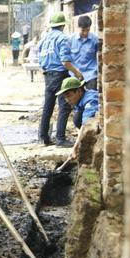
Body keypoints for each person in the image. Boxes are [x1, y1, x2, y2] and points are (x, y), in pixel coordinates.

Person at [37, 12, 84, 147]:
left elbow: (41, 62)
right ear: (63, 25)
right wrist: (77, 72)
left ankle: (44, 136)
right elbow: (65, 61)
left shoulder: (43, 40)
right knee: (64, 106)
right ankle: (60, 138)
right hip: (60, 75)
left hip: (48, 75)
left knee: (48, 106)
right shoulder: (63, 38)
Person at [55, 77, 99, 159]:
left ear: (78, 91)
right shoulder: (79, 100)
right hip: (88, 127)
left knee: (78, 118)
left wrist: (75, 148)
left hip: (98, 127)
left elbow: (86, 125)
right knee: (77, 118)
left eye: (69, 96)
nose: (67, 100)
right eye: (65, 97)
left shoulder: (90, 100)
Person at [69, 16, 99, 91]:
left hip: (90, 75)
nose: (85, 33)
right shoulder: (70, 40)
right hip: (74, 77)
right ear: (78, 27)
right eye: (83, 30)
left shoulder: (95, 40)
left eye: (87, 30)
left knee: (91, 99)